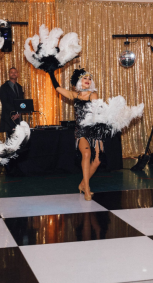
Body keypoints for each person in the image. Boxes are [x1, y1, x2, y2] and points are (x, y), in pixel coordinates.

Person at [48, 69, 111, 201]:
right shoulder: (74, 95)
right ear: (79, 81)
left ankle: (82, 184)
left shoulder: (93, 95)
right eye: (84, 78)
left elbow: (97, 112)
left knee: (98, 160)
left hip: (94, 129)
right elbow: (58, 88)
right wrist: (51, 73)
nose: (88, 80)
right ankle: (87, 189)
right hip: (81, 130)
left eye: (89, 78)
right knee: (86, 154)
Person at [0, 67, 24, 138]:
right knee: (10, 140)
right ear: (9, 74)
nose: (13, 74)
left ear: (18, 74)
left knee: (19, 139)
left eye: (15, 72)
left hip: (18, 117)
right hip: (9, 116)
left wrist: (18, 113)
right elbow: (4, 102)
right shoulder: (4, 87)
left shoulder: (19, 87)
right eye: (11, 72)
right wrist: (14, 113)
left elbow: (21, 102)